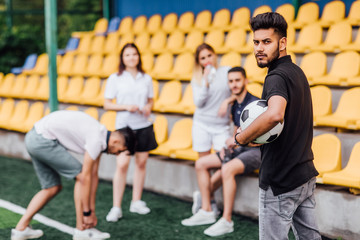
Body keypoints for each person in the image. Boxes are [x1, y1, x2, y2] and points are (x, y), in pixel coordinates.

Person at [235, 12, 321, 240]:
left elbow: (275, 115)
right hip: (303, 175)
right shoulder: (297, 72)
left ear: (282, 43)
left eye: (266, 42)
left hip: (280, 180)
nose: (259, 48)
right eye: (256, 42)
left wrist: (241, 138)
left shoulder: (275, 77)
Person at [11, 110, 136, 240]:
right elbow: (85, 178)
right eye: (119, 151)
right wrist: (87, 213)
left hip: (33, 138)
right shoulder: (97, 139)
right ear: (115, 141)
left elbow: (93, 176)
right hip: (42, 140)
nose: (116, 154)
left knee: (52, 187)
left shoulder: (100, 136)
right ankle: (81, 229)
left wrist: (92, 211)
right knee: (81, 176)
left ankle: (21, 229)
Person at [181, 67, 261, 237]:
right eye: (231, 81)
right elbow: (237, 131)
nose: (234, 84)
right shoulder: (235, 104)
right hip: (240, 149)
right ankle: (207, 209)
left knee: (226, 170)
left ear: (246, 81)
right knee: (201, 163)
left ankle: (226, 221)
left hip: (257, 151)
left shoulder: (254, 104)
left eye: (238, 80)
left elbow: (259, 136)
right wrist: (230, 147)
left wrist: (237, 142)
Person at [104, 43, 158, 222]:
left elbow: (150, 101)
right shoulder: (115, 78)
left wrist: (148, 108)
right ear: (122, 58)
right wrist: (126, 106)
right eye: (127, 55)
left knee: (141, 164)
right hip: (124, 128)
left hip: (143, 126)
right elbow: (107, 104)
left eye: (134, 54)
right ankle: (116, 207)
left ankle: (136, 201)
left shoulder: (146, 78)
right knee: (122, 165)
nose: (131, 57)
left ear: (138, 56)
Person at [191, 43, 232, 158]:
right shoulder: (197, 77)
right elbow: (198, 103)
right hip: (201, 125)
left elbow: (239, 91)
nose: (207, 60)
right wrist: (206, 83)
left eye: (209, 55)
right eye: (203, 58)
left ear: (215, 55)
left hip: (222, 126)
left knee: (224, 161)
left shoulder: (227, 71)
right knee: (203, 162)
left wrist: (227, 101)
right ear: (199, 62)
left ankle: (213, 178)